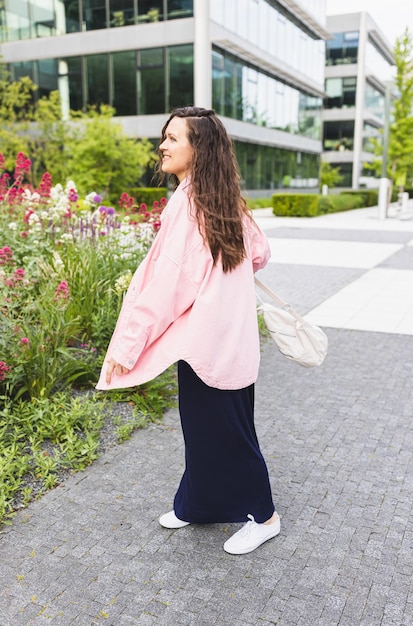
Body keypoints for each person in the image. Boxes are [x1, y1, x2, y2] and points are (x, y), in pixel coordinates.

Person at [96, 106, 280, 555]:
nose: (163, 144)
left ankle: (265, 515)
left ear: (198, 149)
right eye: (165, 136)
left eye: (173, 138)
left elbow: (168, 284)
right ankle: (197, 504)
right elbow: (260, 253)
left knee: (227, 432)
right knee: (205, 427)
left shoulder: (190, 203)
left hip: (207, 343)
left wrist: (128, 344)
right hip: (224, 340)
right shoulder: (222, 198)